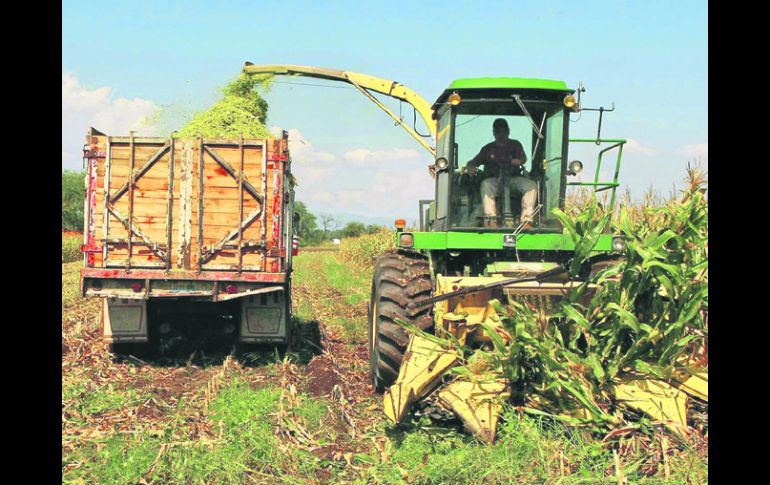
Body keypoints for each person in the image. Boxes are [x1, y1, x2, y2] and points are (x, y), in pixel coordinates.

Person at [466, 118, 538, 228]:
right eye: (498, 132)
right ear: (493, 133)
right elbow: (472, 163)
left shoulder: (515, 145)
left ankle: (526, 220)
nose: (501, 135)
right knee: (486, 184)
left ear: (508, 131)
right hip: (495, 181)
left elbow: (524, 158)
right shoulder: (487, 149)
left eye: (503, 132)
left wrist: (519, 160)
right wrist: (470, 167)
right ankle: (491, 220)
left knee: (531, 185)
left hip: (513, 180)